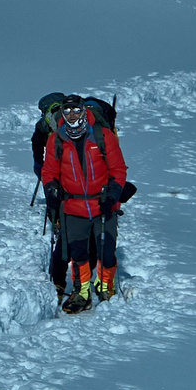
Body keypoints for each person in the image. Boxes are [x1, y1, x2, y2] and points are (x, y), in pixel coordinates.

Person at [38, 93, 135, 312]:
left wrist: (112, 194)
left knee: (106, 251)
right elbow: (49, 170)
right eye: (68, 112)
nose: (72, 116)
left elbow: (118, 168)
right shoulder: (57, 139)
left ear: (84, 111)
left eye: (76, 111)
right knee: (79, 253)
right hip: (73, 206)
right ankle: (82, 293)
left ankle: (105, 286)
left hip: (103, 204)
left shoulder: (103, 136)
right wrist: (51, 189)